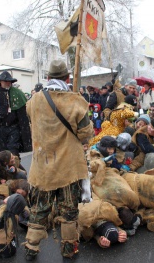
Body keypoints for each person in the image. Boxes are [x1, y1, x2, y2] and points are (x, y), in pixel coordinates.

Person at [24, 59, 94, 260]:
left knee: (39, 209)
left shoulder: (34, 101)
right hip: (69, 167)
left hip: (42, 166)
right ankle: (68, 249)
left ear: (47, 78)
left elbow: (32, 121)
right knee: (69, 212)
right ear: (67, 78)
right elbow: (85, 134)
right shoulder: (76, 101)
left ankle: (30, 247)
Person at [0, 71, 32, 155]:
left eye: (10, 81)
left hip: (13, 128)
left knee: (13, 151)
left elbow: (24, 113)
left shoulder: (17, 93)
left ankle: (14, 167)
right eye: (6, 81)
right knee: (2, 153)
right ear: (0, 81)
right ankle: (4, 168)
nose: (8, 83)